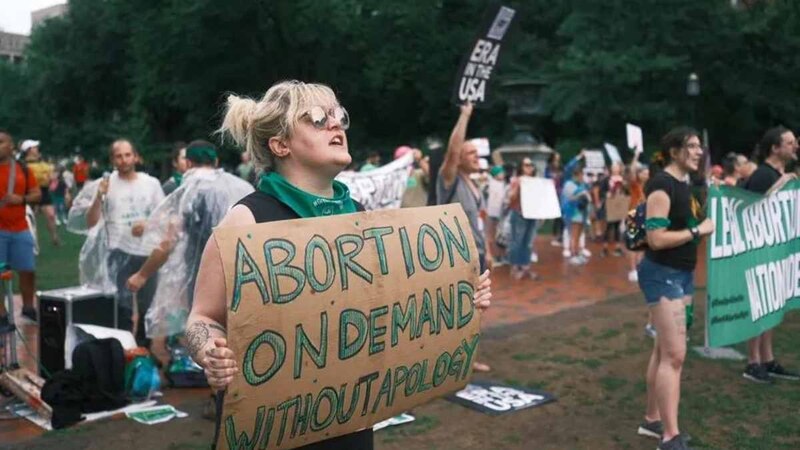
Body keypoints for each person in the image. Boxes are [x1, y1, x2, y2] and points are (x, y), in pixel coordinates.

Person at [185, 81, 492, 449]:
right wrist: (210, 351)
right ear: (280, 145)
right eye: (317, 118)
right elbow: (202, 318)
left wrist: (457, 295)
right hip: (275, 429)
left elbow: (392, 305)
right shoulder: (246, 222)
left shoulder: (360, 217)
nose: (336, 125)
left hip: (348, 422)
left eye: (338, 116)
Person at [126, 139, 253, 339]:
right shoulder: (243, 187)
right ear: (217, 161)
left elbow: (168, 242)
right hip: (247, 276)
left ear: (189, 163)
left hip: (205, 279)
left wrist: (142, 275)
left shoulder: (190, 191)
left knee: (209, 337)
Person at [636, 127, 714, 450]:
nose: (698, 152)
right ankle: (670, 438)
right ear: (674, 152)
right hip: (662, 275)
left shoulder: (686, 184)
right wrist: (697, 231)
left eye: (699, 147)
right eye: (692, 147)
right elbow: (655, 239)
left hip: (681, 275)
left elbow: (686, 227)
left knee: (662, 351)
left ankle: (653, 421)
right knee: (675, 356)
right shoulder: (661, 185)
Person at [84, 139, 165, 348]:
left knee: (147, 308)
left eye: (128, 155)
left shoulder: (151, 183)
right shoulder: (105, 185)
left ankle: (143, 352)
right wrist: (99, 197)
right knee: (122, 308)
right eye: (118, 156)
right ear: (112, 159)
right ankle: (122, 351)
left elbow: (165, 218)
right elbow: (91, 222)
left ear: (135, 156)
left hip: (148, 254)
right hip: (118, 252)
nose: (124, 160)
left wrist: (147, 224)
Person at [740, 126, 800, 383]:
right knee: (760, 306)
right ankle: (752, 362)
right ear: (775, 148)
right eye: (788, 143)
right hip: (760, 252)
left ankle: (768, 359)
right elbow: (750, 210)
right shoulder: (764, 175)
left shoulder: (779, 174)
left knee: (772, 307)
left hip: (776, 251)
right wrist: (781, 184)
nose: (794, 146)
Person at [0, 130, 41, 328]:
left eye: (1, 142)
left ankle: (28, 307)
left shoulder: (22, 169)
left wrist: (21, 199)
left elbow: (36, 194)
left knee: (28, 270)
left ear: (11, 146)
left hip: (20, 228)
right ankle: (2, 315)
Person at [21, 140, 60, 246]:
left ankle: (55, 238)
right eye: (34, 147)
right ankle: (33, 241)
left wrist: (53, 179)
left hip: (44, 191)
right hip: (30, 192)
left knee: (51, 215)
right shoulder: (23, 165)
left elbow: (52, 176)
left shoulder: (43, 164)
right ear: (28, 150)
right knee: (31, 218)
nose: (37, 148)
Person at [506, 157, 540, 281]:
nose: (529, 167)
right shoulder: (516, 180)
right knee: (517, 241)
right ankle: (515, 267)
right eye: (526, 165)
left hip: (532, 214)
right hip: (519, 214)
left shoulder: (536, 181)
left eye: (531, 165)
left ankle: (525, 267)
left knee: (528, 242)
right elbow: (510, 198)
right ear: (521, 167)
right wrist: (518, 187)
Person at [562, 153, 591, 266]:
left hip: (582, 212)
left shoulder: (582, 184)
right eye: (580, 175)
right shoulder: (569, 184)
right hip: (573, 212)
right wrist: (581, 193)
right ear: (576, 174)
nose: (582, 177)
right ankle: (573, 254)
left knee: (579, 234)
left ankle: (578, 253)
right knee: (573, 234)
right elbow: (570, 197)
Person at [545, 152, 564, 247]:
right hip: (552, 193)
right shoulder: (548, 168)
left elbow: (563, 178)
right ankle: (555, 235)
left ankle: (560, 236)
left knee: (560, 216)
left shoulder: (561, 168)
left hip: (560, 193)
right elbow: (546, 179)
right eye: (556, 158)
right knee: (556, 215)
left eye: (558, 159)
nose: (557, 161)